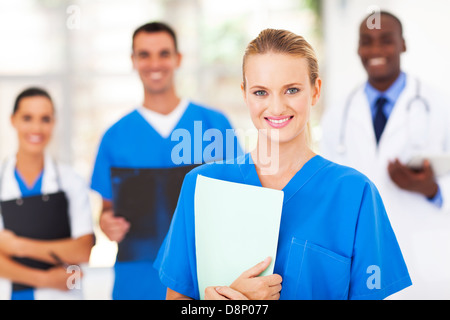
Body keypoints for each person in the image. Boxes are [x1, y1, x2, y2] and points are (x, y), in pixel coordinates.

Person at [154, 28, 411, 300]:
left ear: (315, 91)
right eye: (261, 92)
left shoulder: (354, 193)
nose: (276, 107)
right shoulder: (202, 186)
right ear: (245, 94)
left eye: (292, 90)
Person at [90, 22, 241, 300]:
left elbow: (240, 200)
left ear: (178, 59)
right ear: (133, 61)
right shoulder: (115, 136)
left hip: (203, 277)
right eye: (144, 55)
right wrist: (107, 223)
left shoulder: (215, 125)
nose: (154, 63)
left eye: (163, 53)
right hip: (136, 280)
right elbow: (106, 211)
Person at [320, 11, 450, 299]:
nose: (376, 50)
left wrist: (431, 189)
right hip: (362, 262)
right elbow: (329, 194)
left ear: (403, 44)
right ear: (357, 48)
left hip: (426, 263)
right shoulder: (336, 117)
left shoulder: (441, 107)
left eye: (385, 40)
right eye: (367, 41)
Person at [0, 87, 94, 300]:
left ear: (54, 123)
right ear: (13, 120)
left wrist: (15, 246)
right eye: (27, 118)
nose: (36, 127)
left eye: (45, 119)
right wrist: (46, 279)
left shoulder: (72, 181)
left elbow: (82, 251)